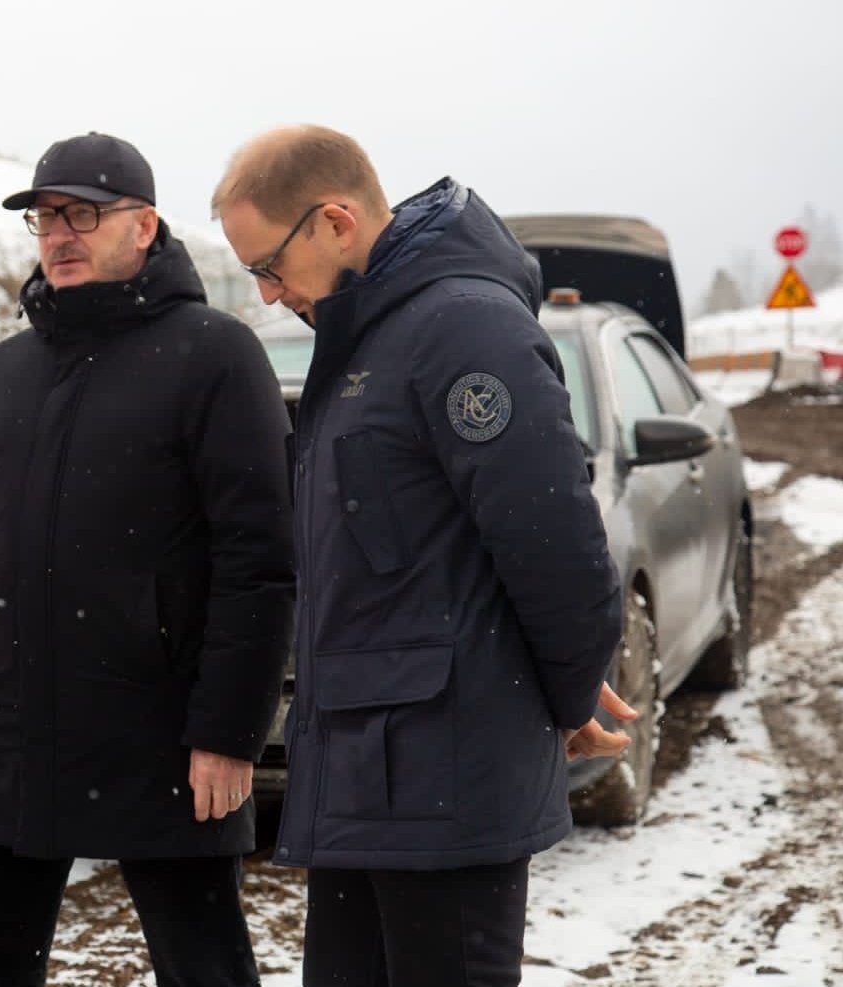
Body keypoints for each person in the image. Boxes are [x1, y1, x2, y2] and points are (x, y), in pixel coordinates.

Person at [211, 124, 633, 987]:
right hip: (364, 783)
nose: (266, 293)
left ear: (335, 222)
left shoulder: (463, 329)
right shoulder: (365, 337)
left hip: (446, 788)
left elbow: (555, 545)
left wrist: (566, 691)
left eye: (269, 266)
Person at [0, 132, 296, 987]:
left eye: (82, 214)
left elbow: (260, 562)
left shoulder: (214, 354)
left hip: (161, 736)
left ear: (144, 225)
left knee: (204, 968)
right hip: (18, 729)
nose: (59, 234)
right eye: (46, 217)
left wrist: (230, 732)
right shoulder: (8, 369)